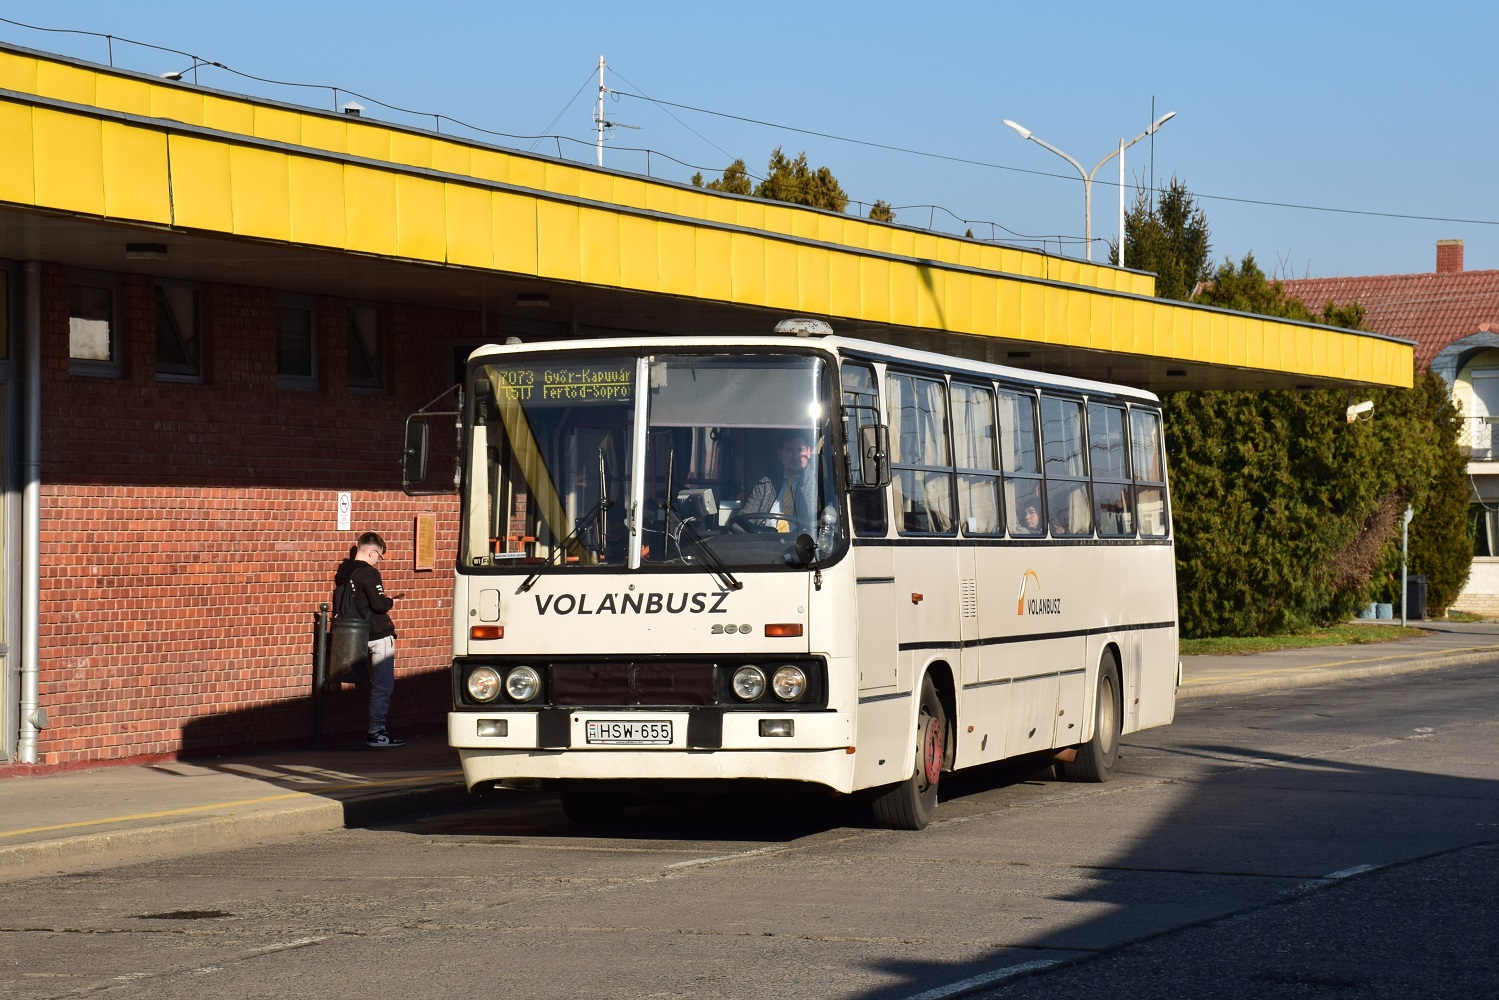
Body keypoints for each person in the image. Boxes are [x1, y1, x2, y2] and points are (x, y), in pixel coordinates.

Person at [334, 531, 404, 748]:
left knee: (366, 683)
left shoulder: (344, 572)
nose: (378, 561)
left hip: (355, 634)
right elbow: (379, 605)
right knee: (383, 685)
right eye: (379, 556)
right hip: (378, 633)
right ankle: (377, 732)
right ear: (372, 552)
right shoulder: (369, 573)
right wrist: (390, 601)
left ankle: (376, 731)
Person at [743, 432, 817, 532]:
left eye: (800, 450)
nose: (796, 456)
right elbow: (745, 519)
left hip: (800, 540)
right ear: (780, 454)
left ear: (809, 452)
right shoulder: (765, 485)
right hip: (763, 539)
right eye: (789, 451)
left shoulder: (819, 485)